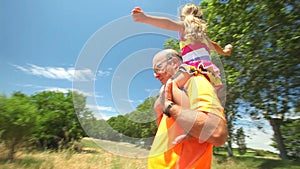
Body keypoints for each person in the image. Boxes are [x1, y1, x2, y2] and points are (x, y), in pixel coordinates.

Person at [132, 4, 232, 106]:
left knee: (167, 88)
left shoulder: (185, 27)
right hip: (209, 71)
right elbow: (215, 46)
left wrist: (146, 18)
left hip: (191, 69)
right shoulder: (204, 37)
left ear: (183, 17)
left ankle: (181, 111)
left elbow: (168, 24)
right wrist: (225, 51)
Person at [149, 49, 227, 169]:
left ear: (174, 62)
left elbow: (217, 133)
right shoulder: (169, 93)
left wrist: (170, 107)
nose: (155, 75)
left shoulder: (195, 81)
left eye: (158, 68)